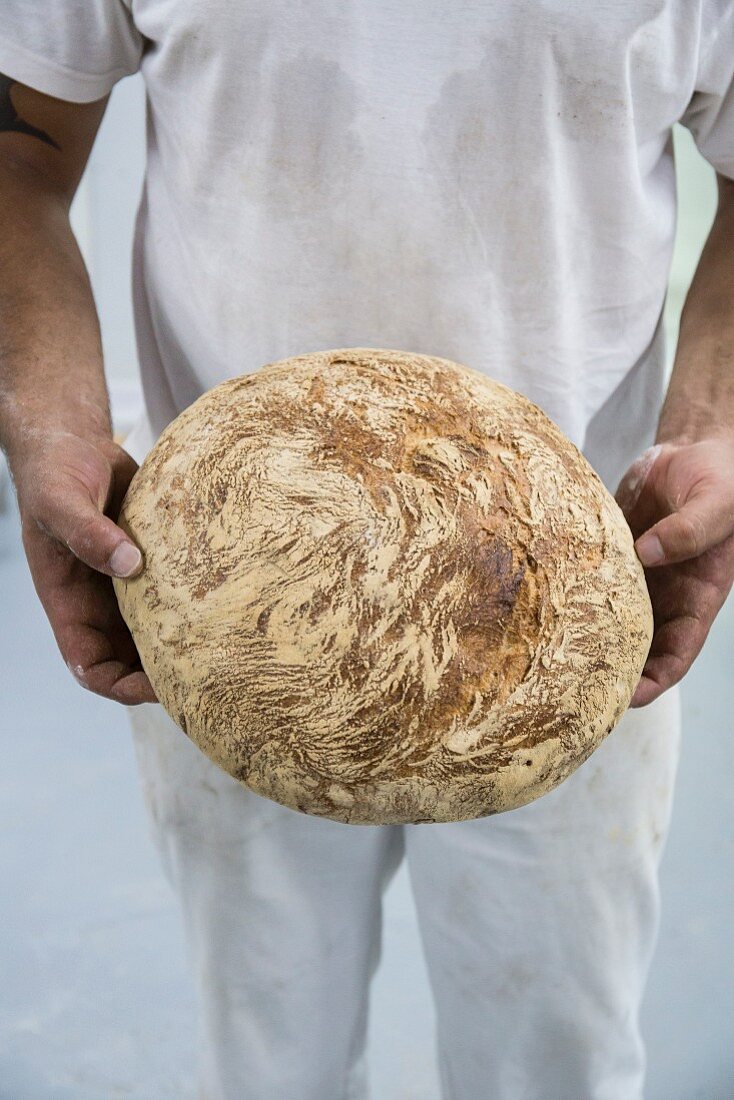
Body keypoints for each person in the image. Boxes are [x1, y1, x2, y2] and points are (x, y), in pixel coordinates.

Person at [0, 3, 732, 1097]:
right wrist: (47, 415)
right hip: (223, 597)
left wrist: (713, 423)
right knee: (269, 1045)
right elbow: (23, 161)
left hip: (577, 597)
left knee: (553, 1053)